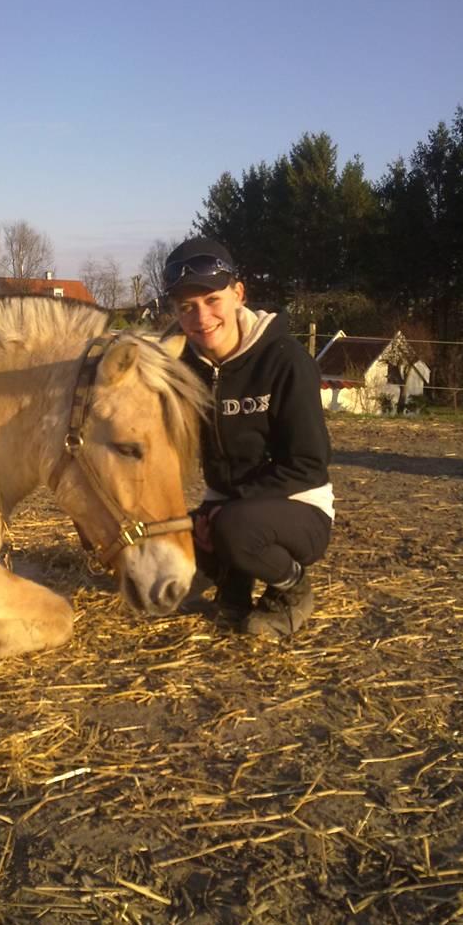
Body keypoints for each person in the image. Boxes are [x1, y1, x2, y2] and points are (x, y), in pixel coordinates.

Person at [162, 237, 334, 637]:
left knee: (234, 530)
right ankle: (233, 588)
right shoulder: (183, 367)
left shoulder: (286, 360)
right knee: (169, 535)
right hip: (228, 505)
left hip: (299, 505)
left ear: (238, 293)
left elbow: (309, 464)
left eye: (212, 300)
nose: (201, 317)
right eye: (186, 307)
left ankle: (292, 589)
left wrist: (224, 510)